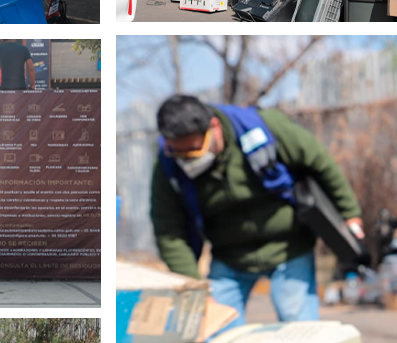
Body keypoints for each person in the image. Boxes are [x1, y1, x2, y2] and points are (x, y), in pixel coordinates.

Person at [150, 95, 363, 327]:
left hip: (288, 247)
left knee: (299, 327)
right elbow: (168, 232)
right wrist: (195, 286)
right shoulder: (167, 166)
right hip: (229, 257)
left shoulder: (263, 127)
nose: (188, 161)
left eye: (194, 150)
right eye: (180, 154)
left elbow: (320, 162)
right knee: (215, 330)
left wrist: (349, 214)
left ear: (215, 127)